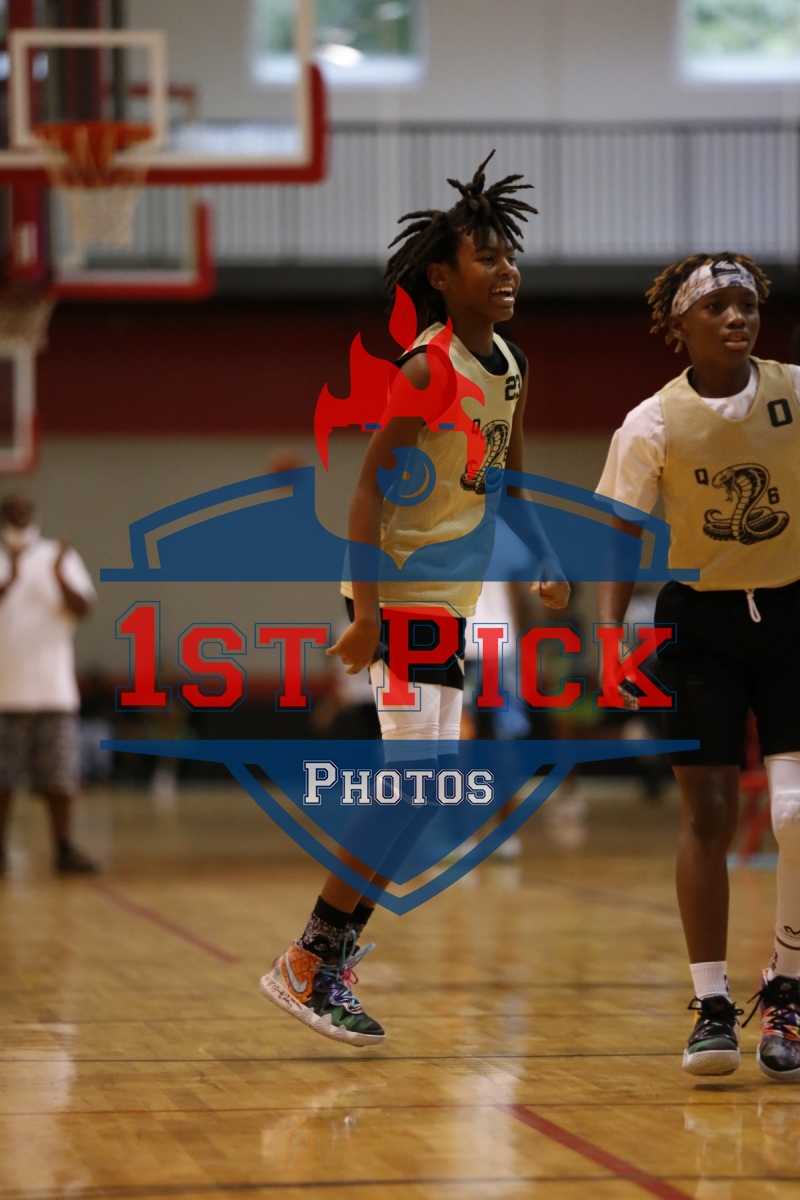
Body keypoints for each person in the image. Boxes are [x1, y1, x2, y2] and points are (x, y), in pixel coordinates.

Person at [260, 152, 570, 1045]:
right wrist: (364, 614)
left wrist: (545, 555)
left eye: (512, 255)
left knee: (424, 790)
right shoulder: (429, 369)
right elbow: (365, 490)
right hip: (398, 596)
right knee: (411, 788)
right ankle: (309, 960)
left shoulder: (510, 364)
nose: (507, 269)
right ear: (442, 276)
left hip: (449, 599)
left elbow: (511, 475)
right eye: (487, 257)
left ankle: (321, 958)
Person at [597, 254, 800, 1081]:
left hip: (792, 613)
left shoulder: (796, 393)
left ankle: (787, 989)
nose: (736, 316)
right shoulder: (651, 422)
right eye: (716, 306)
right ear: (678, 326)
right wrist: (609, 634)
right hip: (700, 624)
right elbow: (619, 530)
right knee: (707, 814)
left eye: (746, 303)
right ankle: (712, 1005)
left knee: (795, 813)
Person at [0, 494, 98, 875]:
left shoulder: (58, 556)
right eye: (12, 514)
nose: (20, 519)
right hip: (4, 693)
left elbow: (83, 608)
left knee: (59, 776)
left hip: (52, 689)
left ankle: (64, 847)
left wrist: (58, 576)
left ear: (35, 517)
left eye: (25, 513)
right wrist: (9, 581)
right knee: (3, 778)